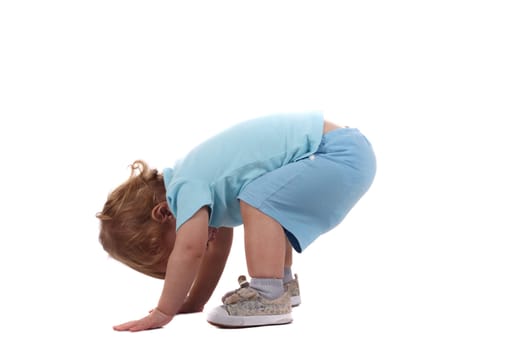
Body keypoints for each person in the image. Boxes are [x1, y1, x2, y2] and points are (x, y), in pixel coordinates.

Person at [96, 111, 376, 331]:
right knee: (269, 202)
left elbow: (191, 251)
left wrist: (164, 311)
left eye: (176, 244)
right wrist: (194, 302)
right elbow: (215, 253)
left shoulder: (184, 186)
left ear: (163, 213)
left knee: (258, 200)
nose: (200, 243)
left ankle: (267, 295)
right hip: (342, 151)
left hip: (335, 153)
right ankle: (283, 285)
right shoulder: (207, 186)